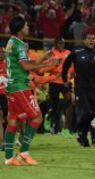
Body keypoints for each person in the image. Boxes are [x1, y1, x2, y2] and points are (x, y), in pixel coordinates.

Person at [4, 16, 58, 166]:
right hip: (20, 86)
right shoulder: (19, 45)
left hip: (11, 86)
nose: (28, 27)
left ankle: (9, 158)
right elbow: (26, 67)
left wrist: (44, 59)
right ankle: (24, 152)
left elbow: (25, 63)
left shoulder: (11, 42)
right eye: (26, 25)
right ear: (21, 29)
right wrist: (47, 63)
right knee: (37, 118)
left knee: (13, 120)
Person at [62, 33, 95, 147]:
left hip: (93, 89)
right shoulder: (76, 53)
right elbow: (65, 65)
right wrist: (64, 79)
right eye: (89, 39)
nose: (92, 40)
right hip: (81, 88)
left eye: (93, 39)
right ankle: (79, 130)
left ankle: (82, 136)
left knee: (92, 114)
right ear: (84, 41)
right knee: (88, 112)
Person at [43, 37, 73, 136]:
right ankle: (51, 122)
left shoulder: (69, 53)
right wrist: (54, 67)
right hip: (54, 82)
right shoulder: (51, 53)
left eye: (63, 43)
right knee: (55, 106)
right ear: (55, 43)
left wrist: (70, 76)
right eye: (59, 43)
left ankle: (66, 129)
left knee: (69, 102)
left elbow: (73, 68)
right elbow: (44, 68)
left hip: (65, 82)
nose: (61, 45)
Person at [0, 47, 7, 150]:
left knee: (8, 119)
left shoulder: (9, 65)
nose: (1, 54)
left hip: (8, 95)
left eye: (2, 52)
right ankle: (1, 143)